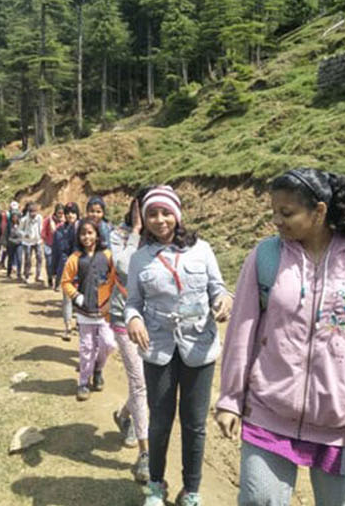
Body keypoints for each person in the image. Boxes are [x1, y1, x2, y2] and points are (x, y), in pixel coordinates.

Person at [215, 168, 345, 506]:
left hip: (344, 424)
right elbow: (241, 331)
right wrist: (231, 398)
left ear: (319, 211)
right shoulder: (266, 257)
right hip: (269, 411)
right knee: (259, 500)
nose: (276, 220)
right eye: (273, 211)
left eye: (286, 213)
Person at [124, 185, 231, 506]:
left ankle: (192, 490)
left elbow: (218, 288)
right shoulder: (139, 259)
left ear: (177, 215)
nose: (160, 220)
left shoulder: (202, 250)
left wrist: (223, 300)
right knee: (159, 422)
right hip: (158, 347)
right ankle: (156, 486)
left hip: (199, 347)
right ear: (145, 219)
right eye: (152, 214)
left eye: (166, 213)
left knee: (195, 424)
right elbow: (133, 303)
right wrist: (134, 320)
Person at [109, 189, 149, 484]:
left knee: (147, 381)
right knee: (140, 381)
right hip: (124, 317)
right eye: (145, 207)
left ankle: (125, 415)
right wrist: (136, 231)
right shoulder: (120, 234)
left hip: (156, 321)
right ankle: (146, 455)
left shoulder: (163, 236)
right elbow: (123, 267)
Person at [62, 219, 117, 401]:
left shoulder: (108, 256)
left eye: (90, 233)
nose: (87, 237)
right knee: (87, 348)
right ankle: (84, 382)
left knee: (109, 344)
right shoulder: (75, 258)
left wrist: (111, 301)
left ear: (97, 235)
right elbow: (66, 281)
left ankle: (98, 369)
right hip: (85, 312)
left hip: (104, 311)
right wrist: (76, 296)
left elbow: (116, 280)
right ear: (78, 237)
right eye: (83, 233)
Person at [50, 203, 81, 340]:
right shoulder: (59, 231)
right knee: (67, 299)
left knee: (80, 298)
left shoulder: (84, 228)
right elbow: (55, 252)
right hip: (65, 268)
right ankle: (67, 326)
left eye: (73, 212)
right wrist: (53, 270)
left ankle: (79, 323)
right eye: (67, 213)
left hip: (82, 269)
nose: (70, 215)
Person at [19, 202, 44, 283]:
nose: (33, 214)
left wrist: (41, 236)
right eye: (32, 212)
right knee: (28, 259)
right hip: (27, 242)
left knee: (39, 258)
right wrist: (24, 234)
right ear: (29, 212)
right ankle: (27, 276)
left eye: (35, 212)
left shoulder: (39, 218)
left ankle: (38, 275)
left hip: (37, 241)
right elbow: (19, 230)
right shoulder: (24, 220)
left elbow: (41, 227)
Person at [42, 204, 64, 289]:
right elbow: (43, 230)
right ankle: (50, 278)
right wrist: (44, 239)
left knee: (59, 264)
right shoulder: (49, 219)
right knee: (49, 262)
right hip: (49, 245)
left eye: (62, 213)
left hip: (59, 246)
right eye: (59, 213)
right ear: (56, 212)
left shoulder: (64, 221)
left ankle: (57, 282)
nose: (60, 214)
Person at [3, 200, 22, 277]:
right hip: (10, 243)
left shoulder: (21, 224)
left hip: (19, 243)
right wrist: (5, 244)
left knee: (19, 258)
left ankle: (19, 273)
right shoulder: (9, 224)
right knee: (10, 258)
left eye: (16, 216)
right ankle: (9, 273)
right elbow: (5, 234)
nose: (15, 218)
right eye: (13, 217)